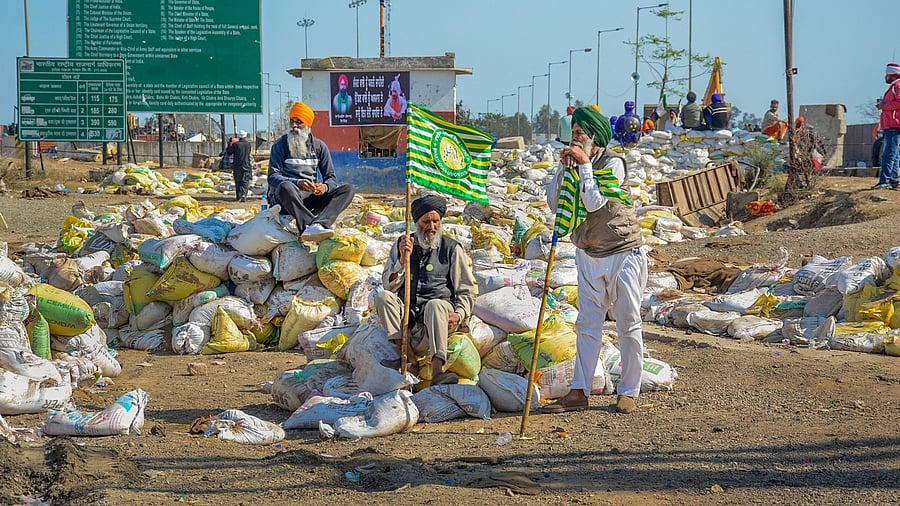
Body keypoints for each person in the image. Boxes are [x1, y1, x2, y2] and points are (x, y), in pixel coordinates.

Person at [541, 106, 648, 415]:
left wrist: (585, 166)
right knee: (587, 323)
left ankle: (629, 390)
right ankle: (579, 390)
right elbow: (553, 203)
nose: (575, 140)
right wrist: (563, 170)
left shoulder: (614, 163)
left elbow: (594, 202)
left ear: (595, 138)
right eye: (573, 134)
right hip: (588, 254)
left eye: (580, 134)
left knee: (627, 321)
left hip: (622, 252)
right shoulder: (573, 166)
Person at [373, 194, 477, 386]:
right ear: (416, 222)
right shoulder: (402, 244)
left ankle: (438, 369)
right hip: (409, 325)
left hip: (437, 324)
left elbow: (467, 290)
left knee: (435, 305)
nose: (431, 227)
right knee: (383, 297)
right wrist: (403, 262)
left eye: (436, 221)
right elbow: (389, 284)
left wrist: (460, 314)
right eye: (426, 221)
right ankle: (409, 358)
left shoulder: (451, 248)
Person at [267, 101, 355, 241]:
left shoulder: (319, 146)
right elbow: (272, 177)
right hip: (285, 198)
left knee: (348, 189)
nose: (294, 126)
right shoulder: (280, 145)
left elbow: (331, 178)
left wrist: (324, 188)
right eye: (292, 121)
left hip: (308, 199)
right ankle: (308, 225)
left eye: (299, 122)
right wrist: (298, 182)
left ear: (308, 125)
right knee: (286, 186)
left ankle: (320, 223)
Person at [875, 63, 900, 190]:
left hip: (895, 125)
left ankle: (885, 181)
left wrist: (883, 105)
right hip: (891, 125)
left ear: (891, 74)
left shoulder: (898, 85)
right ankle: (894, 181)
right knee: (894, 155)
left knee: (888, 155)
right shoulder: (894, 86)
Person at [225, 130, 252, 202]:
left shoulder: (236, 145)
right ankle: (244, 194)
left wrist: (229, 144)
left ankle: (238, 196)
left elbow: (229, 152)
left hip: (237, 165)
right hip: (246, 164)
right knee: (245, 180)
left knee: (238, 181)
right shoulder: (248, 144)